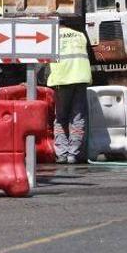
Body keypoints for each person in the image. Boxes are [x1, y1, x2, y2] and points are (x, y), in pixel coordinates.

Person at [46, 18, 92, 164]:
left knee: (60, 118)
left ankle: (62, 153)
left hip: (62, 80)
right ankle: (74, 154)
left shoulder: (51, 37)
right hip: (81, 79)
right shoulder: (80, 35)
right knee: (78, 118)